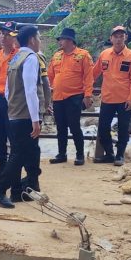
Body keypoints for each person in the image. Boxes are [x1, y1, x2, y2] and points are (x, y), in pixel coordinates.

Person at [0, 25, 45, 209]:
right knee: (18, 154)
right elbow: (31, 90)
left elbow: (6, 90)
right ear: (31, 40)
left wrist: (12, 106)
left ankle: (19, 191)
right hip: (25, 115)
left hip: (13, 112)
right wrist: (35, 119)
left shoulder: (15, 58)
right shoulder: (30, 58)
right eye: (39, 38)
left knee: (26, 152)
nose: (40, 41)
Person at [92, 26, 131, 166]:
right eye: (116, 36)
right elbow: (94, 74)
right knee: (103, 127)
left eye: (121, 36)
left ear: (125, 38)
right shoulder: (104, 54)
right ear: (111, 38)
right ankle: (109, 154)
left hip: (125, 100)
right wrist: (86, 90)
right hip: (107, 98)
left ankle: (120, 155)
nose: (118, 39)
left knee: (123, 128)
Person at [47, 27, 94, 166]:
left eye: (61, 39)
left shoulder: (83, 55)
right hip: (58, 97)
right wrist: (48, 92)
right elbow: (50, 76)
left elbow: (88, 77)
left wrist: (88, 95)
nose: (59, 42)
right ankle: (62, 154)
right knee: (60, 127)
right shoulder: (56, 56)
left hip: (74, 97)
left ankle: (80, 155)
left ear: (69, 40)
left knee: (74, 127)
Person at [0, 21, 19, 178]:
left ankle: (13, 169)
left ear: (13, 37)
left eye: (7, 34)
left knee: (12, 135)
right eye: (2, 34)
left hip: (12, 100)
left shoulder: (19, 55)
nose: (3, 37)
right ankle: (2, 165)